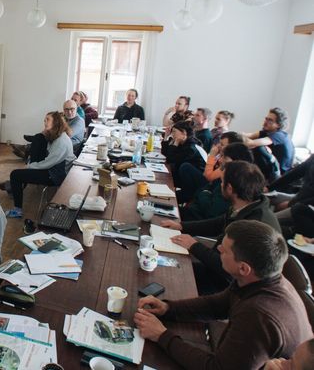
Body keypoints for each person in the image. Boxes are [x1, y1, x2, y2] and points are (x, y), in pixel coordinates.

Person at [134, 220, 313, 370]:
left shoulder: (258, 315)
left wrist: (162, 335)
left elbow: (216, 368)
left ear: (243, 268)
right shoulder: (262, 279)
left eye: (225, 250)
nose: (218, 248)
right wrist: (168, 308)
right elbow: (217, 305)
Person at [162, 160, 281, 294]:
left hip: (227, 287)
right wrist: (181, 225)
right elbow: (217, 224)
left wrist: (194, 245)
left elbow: (229, 271)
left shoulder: (254, 226)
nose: (220, 185)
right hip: (216, 267)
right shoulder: (248, 205)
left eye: (222, 182)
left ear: (230, 188)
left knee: (166, 276)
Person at [4, 111, 76, 218]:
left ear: (56, 122)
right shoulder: (58, 136)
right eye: (44, 120)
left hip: (56, 175)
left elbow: (48, 163)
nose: (44, 122)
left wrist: (30, 166)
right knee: (39, 137)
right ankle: (27, 157)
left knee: (15, 175)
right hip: (54, 169)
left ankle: (17, 210)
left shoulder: (62, 142)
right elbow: (49, 155)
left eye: (48, 120)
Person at [180, 142, 254, 223]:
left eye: (224, 157)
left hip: (199, 220)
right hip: (194, 211)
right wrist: (206, 194)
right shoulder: (225, 173)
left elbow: (211, 211)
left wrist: (205, 193)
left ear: (236, 161)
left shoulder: (235, 183)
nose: (220, 160)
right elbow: (200, 191)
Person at [11, 99, 84, 160]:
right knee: (43, 136)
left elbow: (68, 134)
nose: (69, 112)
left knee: (42, 139)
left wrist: (50, 132)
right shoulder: (66, 118)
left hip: (69, 147)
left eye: (72, 109)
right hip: (60, 143)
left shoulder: (79, 121)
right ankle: (29, 149)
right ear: (63, 109)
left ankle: (27, 148)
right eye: (66, 109)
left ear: (76, 108)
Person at [245, 107, 295, 174]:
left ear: (278, 125)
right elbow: (248, 135)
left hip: (280, 175)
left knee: (259, 148)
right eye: (266, 119)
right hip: (271, 169)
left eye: (270, 120)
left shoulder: (280, 135)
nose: (266, 121)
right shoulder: (268, 131)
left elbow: (251, 143)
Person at [161, 121, 205, 188]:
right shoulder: (184, 142)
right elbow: (165, 153)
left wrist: (175, 143)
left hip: (194, 184)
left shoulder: (191, 148)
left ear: (184, 133)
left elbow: (170, 159)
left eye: (174, 132)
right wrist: (166, 136)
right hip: (182, 178)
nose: (172, 134)